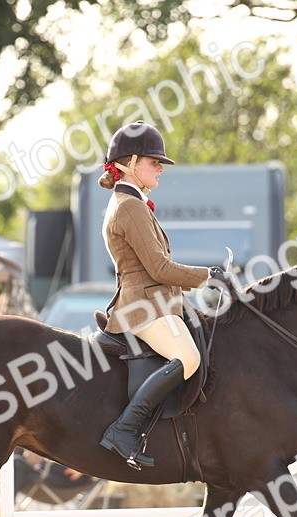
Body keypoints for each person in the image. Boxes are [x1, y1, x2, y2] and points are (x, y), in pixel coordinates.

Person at [98, 120, 229, 468]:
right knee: (189, 358)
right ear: (130, 163)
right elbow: (159, 269)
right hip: (145, 308)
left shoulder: (131, 203)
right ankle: (124, 429)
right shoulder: (129, 207)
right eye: (154, 162)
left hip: (158, 302)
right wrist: (209, 276)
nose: (160, 168)